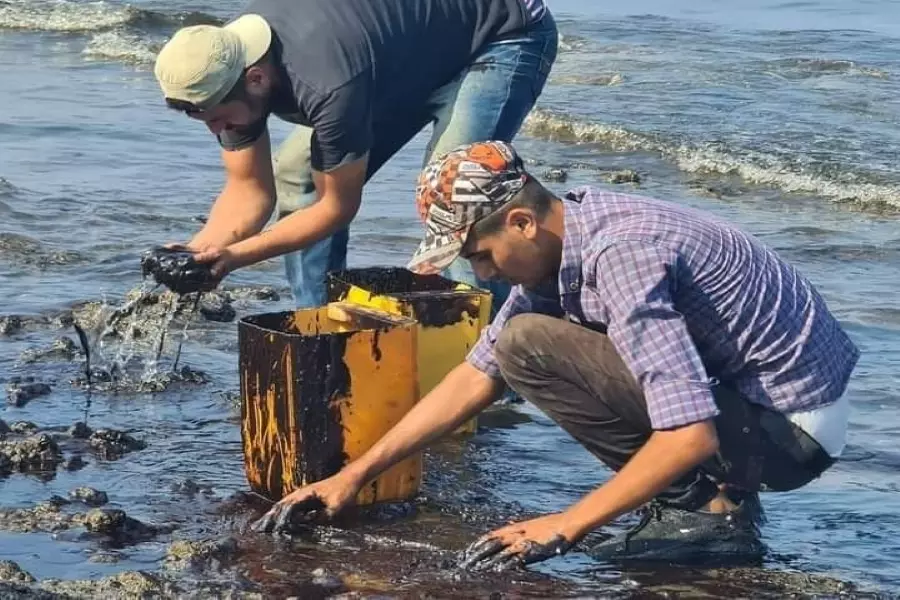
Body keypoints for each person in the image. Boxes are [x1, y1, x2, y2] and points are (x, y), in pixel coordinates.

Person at [250, 141, 859, 569]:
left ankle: (706, 511)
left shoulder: (621, 255)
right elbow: (476, 375)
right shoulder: (563, 242)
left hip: (787, 434)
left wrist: (563, 525)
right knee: (517, 345)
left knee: (530, 343)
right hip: (756, 408)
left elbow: (690, 436)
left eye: (478, 256)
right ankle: (715, 503)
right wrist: (353, 477)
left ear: (520, 222)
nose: (478, 272)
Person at [151, 0, 558, 314]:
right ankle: (320, 328)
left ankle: (495, 369)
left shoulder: (326, 83)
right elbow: (249, 191)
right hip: (399, 59)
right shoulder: (224, 68)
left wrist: (234, 258)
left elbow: (337, 207)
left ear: (256, 78)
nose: (218, 131)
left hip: (500, 35)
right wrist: (198, 252)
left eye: (220, 119)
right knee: (301, 178)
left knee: (457, 201)